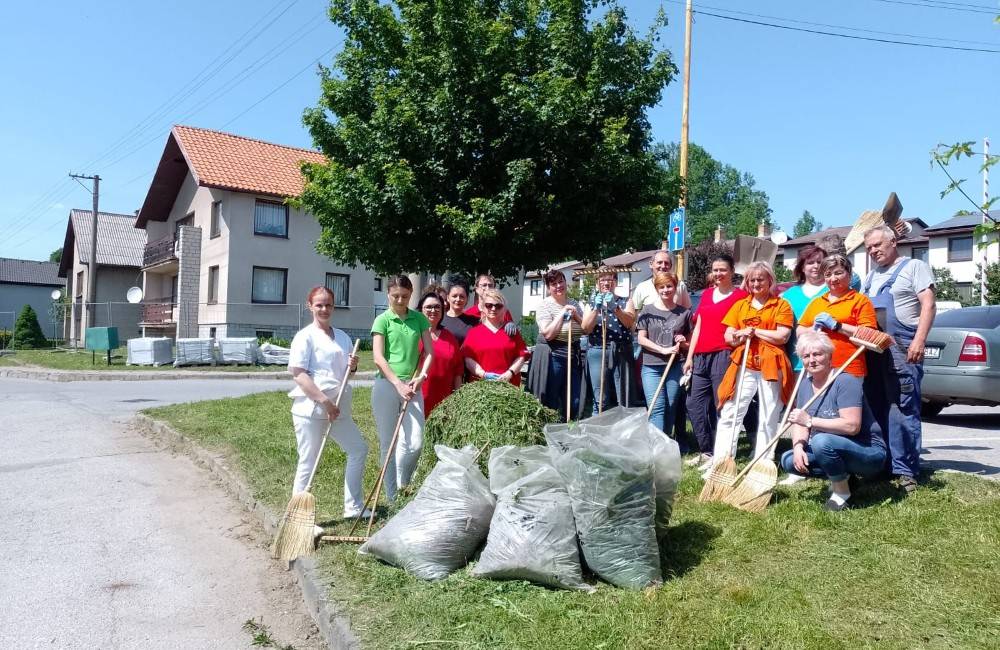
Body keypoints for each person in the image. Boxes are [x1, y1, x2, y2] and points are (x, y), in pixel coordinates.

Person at [862, 225, 936, 494]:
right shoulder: (871, 276)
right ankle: (883, 464)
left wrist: (919, 340)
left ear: (894, 242)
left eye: (878, 245)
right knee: (876, 405)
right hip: (874, 350)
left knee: (902, 407)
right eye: (869, 248)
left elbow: (928, 304)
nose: (873, 251)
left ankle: (906, 471)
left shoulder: (914, 266)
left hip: (903, 347)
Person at [780, 330, 887, 511]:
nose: (811, 360)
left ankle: (841, 492)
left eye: (817, 354)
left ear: (829, 356)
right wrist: (798, 447)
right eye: (806, 356)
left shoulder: (845, 381)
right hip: (834, 448)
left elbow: (852, 426)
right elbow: (800, 421)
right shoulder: (805, 384)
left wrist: (810, 421)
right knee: (788, 460)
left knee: (822, 441)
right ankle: (845, 477)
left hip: (867, 451)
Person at [287, 286, 368, 520]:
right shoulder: (304, 336)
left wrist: (352, 367)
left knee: (358, 449)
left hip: (338, 406)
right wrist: (325, 402)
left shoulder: (342, 336)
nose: (324, 309)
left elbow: (344, 376)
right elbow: (300, 375)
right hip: (311, 408)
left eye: (328, 305)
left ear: (334, 306)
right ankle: (298, 518)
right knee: (308, 461)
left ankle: (353, 508)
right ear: (309, 306)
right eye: (319, 305)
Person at [709, 261, 794, 472]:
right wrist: (739, 334)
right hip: (744, 364)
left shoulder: (781, 305)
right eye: (752, 280)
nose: (756, 283)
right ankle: (722, 461)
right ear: (747, 283)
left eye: (760, 279)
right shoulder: (740, 306)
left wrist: (755, 331)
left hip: (771, 366)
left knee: (769, 415)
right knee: (731, 411)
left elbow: (783, 336)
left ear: (770, 281)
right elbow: (729, 335)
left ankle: (762, 463)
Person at [370, 275, 435, 502]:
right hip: (387, 385)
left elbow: (429, 352)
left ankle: (403, 483)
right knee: (388, 443)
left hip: (413, 385)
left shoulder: (418, 319)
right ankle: (391, 497)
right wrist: (397, 384)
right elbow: (378, 357)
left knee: (416, 442)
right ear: (388, 294)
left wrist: (420, 377)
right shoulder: (382, 320)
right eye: (396, 296)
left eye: (405, 296)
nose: (400, 300)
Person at [683, 253, 748, 468]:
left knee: (722, 405)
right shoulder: (707, 294)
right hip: (700, 356)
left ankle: (723, 454)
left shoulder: (740, 297)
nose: (718, 274)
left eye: (723, 270)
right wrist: (690, 357)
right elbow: (698, 327)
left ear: (732, 272)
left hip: (724, 354)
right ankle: (706, 451)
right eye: (715, 270)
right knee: (693, 403)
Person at [797, 254, 878, 379]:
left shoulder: (860, 301)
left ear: (849, 274)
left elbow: (870, 336)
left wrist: (837, 326)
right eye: (828, 275)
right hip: (818, 370)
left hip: (849, 369)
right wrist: (812, 328)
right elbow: (799, 331)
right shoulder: (817, 302)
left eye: (838, 273)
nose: (833, 279)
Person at [636, 272, 692, 445]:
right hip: (651, 367)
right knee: (657, 407)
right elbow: (641, 339)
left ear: (675, 288)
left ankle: (665, 443)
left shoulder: (684, 313)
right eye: (662, 287)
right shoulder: (647, 311)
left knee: (671, 405)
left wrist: (683, 342)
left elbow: (691, 342)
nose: (666, 290)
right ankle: (657, 446)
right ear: (656, 288)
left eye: (669, 286)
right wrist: (663, 349)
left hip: (675, 367)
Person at [536, 269, 591, 417]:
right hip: (554, 357)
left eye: (561, 281)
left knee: (575, 400)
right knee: (552, 400)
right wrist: (562, 313)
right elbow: (548, 334)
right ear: (548, 288)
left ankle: (569, 428)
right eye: (554, 284)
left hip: (573, 357)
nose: (558, 286)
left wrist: (577, 316)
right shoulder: (544, 306)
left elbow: (586, 329)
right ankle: (552, 431)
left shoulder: (574, 303)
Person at [581, 267, 636, 414]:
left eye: (610, 279)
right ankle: (598, 431)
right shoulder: (591, 303)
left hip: (621, 351)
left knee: (624, 397)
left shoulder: (625, 301)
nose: (606, 283)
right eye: (602, 279)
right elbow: (586, 328)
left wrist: (614, 307)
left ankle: (623, 433)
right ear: (597, 283)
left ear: (616, 282)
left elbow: (630, 322)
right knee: (600, 399)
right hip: (597, 351)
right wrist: (596, 309)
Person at [461, 288, 530, 385]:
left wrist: (509, 373)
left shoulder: (512, 332)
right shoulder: (474, 332)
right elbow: (467, 359)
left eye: (498, 306)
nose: (493, 309)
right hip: (480, 387)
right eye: (489, 305)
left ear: (504, 308)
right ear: (483, 307)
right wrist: (483, 374)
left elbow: (521, 356)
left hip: (509, 386)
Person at [780, 245, 828, 370]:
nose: (816, 266)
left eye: (819, 262)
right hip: (796, 361)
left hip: (826, 361)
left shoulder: (833, 290)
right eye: (810, 263)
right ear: (802, 267)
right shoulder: (789, 295)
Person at [417, 290, 463, 416]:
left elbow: (457, 371)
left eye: (437, 307)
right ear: (421, 309)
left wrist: (458, 398)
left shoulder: (450, 337)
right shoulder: (414, 335)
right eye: (429, 307)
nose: (433, 310)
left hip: (444, 401)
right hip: (418, 397)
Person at [621, 250, 692, 328]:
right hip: (650, 336)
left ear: (671, 266)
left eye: (666, 263)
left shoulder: (680, 285)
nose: (663, 266)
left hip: (675, 335)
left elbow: (687, 311)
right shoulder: (642, 287)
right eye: (659, 262)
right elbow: (633, 314)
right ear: (651, 264)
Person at [440, 278, 479, 346]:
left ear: (467, 299)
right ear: (448, 298)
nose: (458, 299)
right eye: (454, 296)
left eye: (462, 296)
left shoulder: (474, 322)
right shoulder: (440, 319)